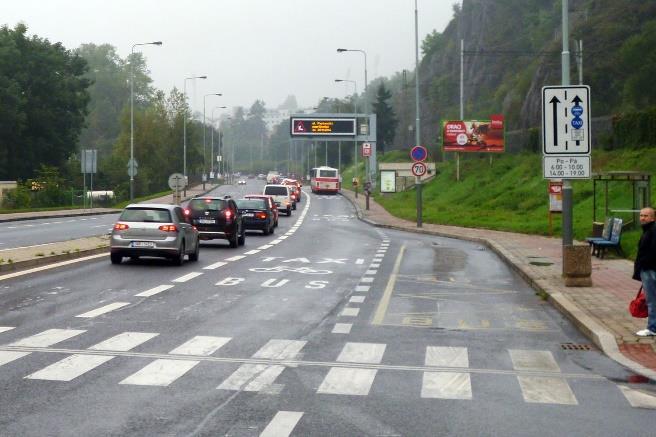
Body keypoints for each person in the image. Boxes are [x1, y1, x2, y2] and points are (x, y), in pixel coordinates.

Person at [633, 207, 656, 336]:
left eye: (646, 216)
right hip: (648, 268)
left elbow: (651, 251)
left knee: (651, 300)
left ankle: (652, 328)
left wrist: (643, 264)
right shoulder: (648, 230)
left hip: (650, 269)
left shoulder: (652, 231)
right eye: (641, 215)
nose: (642, 218)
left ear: (652, 217)